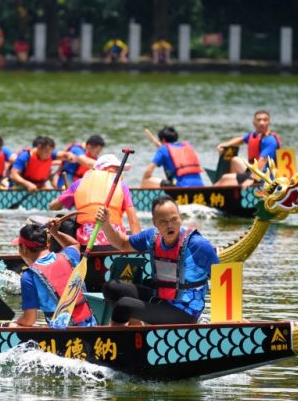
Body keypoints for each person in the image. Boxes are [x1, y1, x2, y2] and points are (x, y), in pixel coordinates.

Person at [99, 196, 219, 325]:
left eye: (174, 219)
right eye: (163, 222)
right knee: (111, 287)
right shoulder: (151, 237)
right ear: (155, 222)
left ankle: (119, 336)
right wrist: (106, 224)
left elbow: (223, 278)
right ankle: (137, 328)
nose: (170, 225)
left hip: (186, 312)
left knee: (124, 306)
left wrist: (225, 322)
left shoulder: (198, 245)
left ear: (180, 217)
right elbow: (122, 243)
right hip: (162, 299)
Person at [2, 223, 95, 328]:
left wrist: (11, 323)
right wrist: (55, 233)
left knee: (15, 325)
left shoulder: (29, 276)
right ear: (47, 244)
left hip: (61, 333)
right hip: (91, 326)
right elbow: (74, 244)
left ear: (23, 248)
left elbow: (29, 320)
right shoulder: (69, 255)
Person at [51, 154, 141, 247]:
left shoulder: (78, 183)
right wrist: (138, 245)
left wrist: (67, 195)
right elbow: (133, 220)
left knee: (62, 220)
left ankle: (65, 253)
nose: (119, 173)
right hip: (115, 241)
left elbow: (53, 206)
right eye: (116, 169)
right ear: (104, 168)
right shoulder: (122, 185)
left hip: (86, 241)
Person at [215, 110, 283, 187]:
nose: (262, 123)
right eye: (259, 120)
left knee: (225, 178)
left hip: (264, 177)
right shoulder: (254, 136)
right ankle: (235, 186)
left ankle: (218, 189)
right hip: (254, 170)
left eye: (265, 120)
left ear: (269, 123)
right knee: (235, 160)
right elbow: (241, 140)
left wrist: (251, 179)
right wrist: (225, 144)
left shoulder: (270, 140)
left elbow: (263, 160)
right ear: (254, 123)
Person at [141, 127, 207, 188]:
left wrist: (143, 182)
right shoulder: (186, 146)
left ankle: (140, 195)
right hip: (200, 186)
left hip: (180, 186)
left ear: (163, 140)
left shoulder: (163, 149)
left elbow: (148, 171)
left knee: (146, 180)